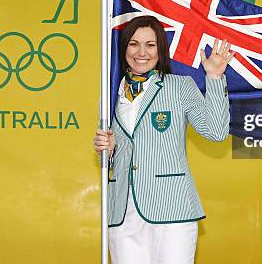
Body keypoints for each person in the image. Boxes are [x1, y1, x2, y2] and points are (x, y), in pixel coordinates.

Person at [94, 15, 233, 264]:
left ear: (160, 49)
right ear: (124, 48)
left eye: (150, 45)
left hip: (173, 210)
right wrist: (111, 148)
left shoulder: (180, 86)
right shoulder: (110, 92)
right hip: (122, 213)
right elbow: (121, 148)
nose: (141, 52)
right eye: (134, 44)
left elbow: (215, 131)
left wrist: (213, 78)